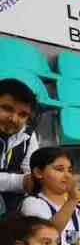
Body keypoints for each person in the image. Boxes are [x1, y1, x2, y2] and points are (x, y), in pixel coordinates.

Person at [0, 77, 41, 213]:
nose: (13, 119)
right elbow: (25, 180)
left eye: (22, 115)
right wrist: (21, 182)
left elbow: (31, 174)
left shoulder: (28, 135)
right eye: (6, 109)